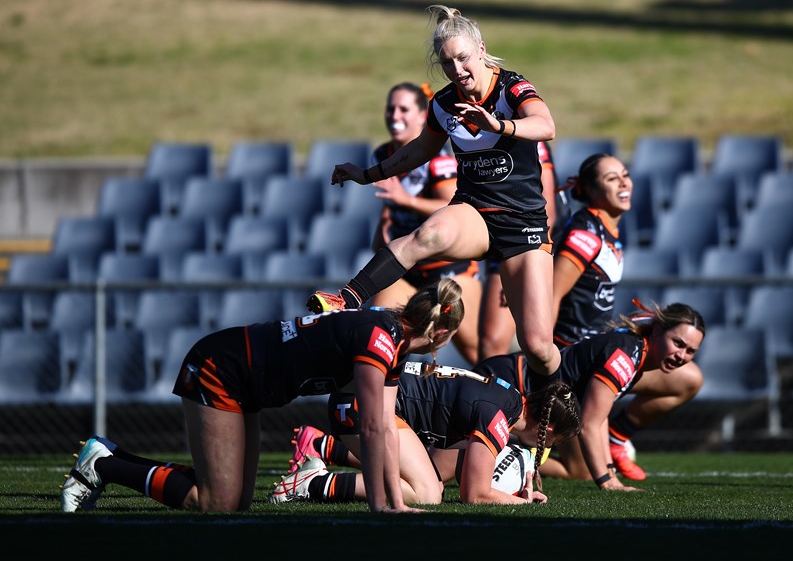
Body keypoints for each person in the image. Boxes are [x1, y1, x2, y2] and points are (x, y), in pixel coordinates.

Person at [306, 4, 561, 384]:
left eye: (462, 58)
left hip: (523, 225)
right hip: (475, 212)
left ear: (480, 49)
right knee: (428, 235)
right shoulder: (444, 103)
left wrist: (499, 125)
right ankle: (348, 297)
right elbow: (418, 151)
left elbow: (546, 125)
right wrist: (367, 175)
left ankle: (557, 397)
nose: (457, 70)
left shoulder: (511, 87)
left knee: (537, 346)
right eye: (446, 63)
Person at [59, 279, 465, 514]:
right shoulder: (380, 339)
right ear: (442, 334)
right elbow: (373, 425)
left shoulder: (388, 337)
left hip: (247, 383)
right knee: (216, 502)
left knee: (236, 503)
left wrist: (395, 500)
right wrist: (382, 505)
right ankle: (106, 465)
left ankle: (109, 460)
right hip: (221, 368)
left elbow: (385, 427)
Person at [546, 152, 704, 481]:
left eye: (625, 174)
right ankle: (506, 448)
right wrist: (546, 361)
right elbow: (551, 295)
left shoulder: (609, 230)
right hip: (574, 367)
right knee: (583, 474)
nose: (623, 182)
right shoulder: (586, 234)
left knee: (689, 379)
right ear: (590, 190)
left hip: (597, 359)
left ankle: (617, 437)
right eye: (611, 178)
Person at [270, 360, 580, 506]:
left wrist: (519, 487)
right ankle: (314, 484)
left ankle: (323, 447)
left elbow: (444, 467)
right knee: (427, 494)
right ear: (549, 429)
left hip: (361, 397)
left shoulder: (509, 398)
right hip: (367, 403)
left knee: (430, 479)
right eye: (557, 441)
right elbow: (475, 494)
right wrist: (523, 503)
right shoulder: (500, 415)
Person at [475, 301, 705, 491]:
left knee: (479, 458)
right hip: (506, 383)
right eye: (678, 343)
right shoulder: (625, 358)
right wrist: (607, 482)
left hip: (522, 395)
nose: (681, 355)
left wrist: (608, 468)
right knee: (455, 457)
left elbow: (600, 415)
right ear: (657, 331)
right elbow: (589, 425)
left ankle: (500, 453)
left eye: (690, 351)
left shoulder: (635, 353)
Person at [368, 81, 483, 365]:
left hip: (448, 269)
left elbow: (452, 206)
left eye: (403, 109)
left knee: (480, 350)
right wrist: (382, 231)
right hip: (407, 268)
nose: (394, 115)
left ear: (422, 116)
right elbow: (389, 204)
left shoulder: (438, 158)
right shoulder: (382, 155)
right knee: (381, 338)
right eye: (390, 108)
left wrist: (406, 200)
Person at [477, 138, 560, 360]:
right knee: (490, 343)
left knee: (538, 345)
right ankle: (494, 393)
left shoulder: (532, 140)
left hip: (526, 245)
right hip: (498, 244)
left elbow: (548, 209)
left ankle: (543, 392)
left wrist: (522, 267)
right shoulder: (477, 138)